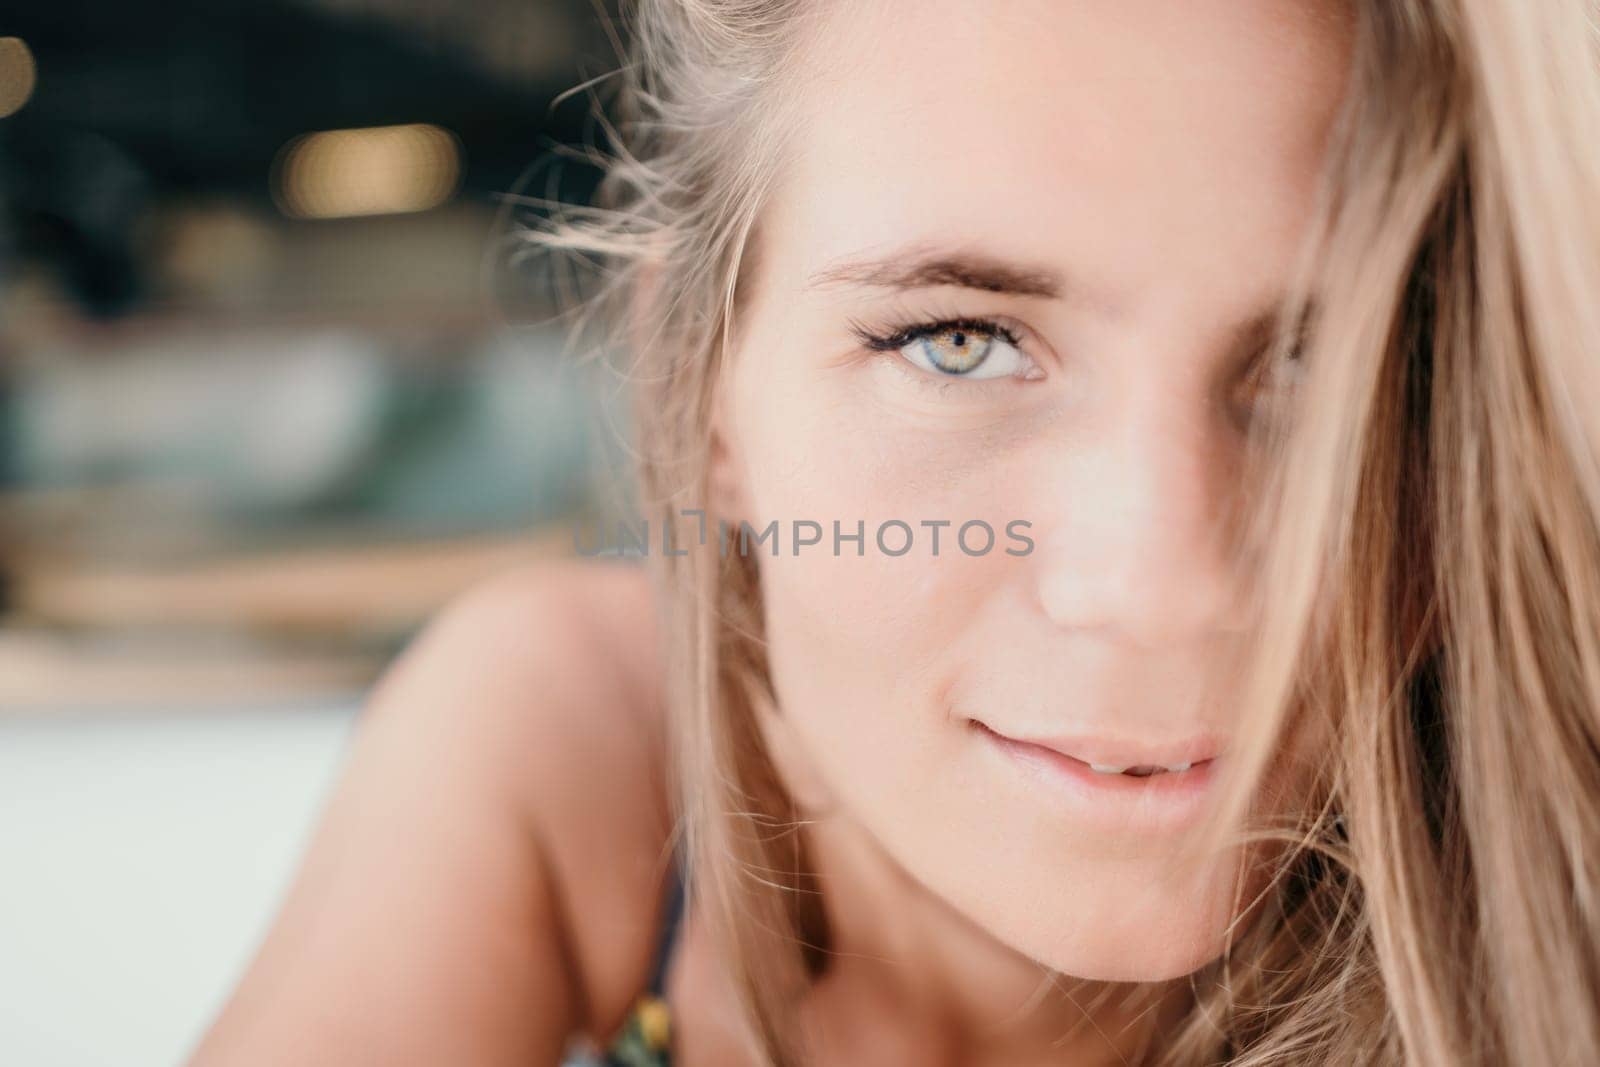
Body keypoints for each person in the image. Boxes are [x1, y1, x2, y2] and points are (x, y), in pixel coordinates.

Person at [189, 1, 1600, 1063]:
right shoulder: (585, 743)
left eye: (1329, 369)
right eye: (962, 343)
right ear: (703, 399)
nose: (1164, 588)